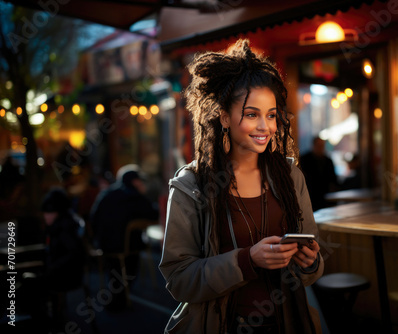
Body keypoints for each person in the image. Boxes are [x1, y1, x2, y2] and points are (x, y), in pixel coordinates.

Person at [159, 39, 324, 334]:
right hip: (223, 324)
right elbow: (179, 280)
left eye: (271, 115)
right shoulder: (191, 186)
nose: (265, 127)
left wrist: (310, 262)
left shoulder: (290, 177)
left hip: (288, 322)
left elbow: (311, 267)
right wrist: (248, 260)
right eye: (252, 114)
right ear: (224, 117)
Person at [89, 164, 159, 309]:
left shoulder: (106, 194)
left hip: (104, 246)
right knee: (128, 265)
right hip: (127, 247)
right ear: (135, 182)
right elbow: (153, 216)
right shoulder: (135, 196)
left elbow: (93, 218)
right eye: (140, 181)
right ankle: (121, 298)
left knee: (115, 270)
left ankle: (117, 296)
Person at [17, 187, 86, 329]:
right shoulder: (63, 225)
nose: (46, 216)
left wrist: (51, 268)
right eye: (45, 213)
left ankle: (47, 324)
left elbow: (73, 254)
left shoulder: (65, 229)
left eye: (50, 212)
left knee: (25, 287)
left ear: (59, 212)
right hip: (63, 275)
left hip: (65, 277)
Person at [300, 136, 339, 211]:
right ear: (313, 145)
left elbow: (333, 179)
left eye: (322, 146)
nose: (321, 148)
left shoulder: (328, 161)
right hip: (310, 195)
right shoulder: (305, 159)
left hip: (325, 196)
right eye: (319, 145)